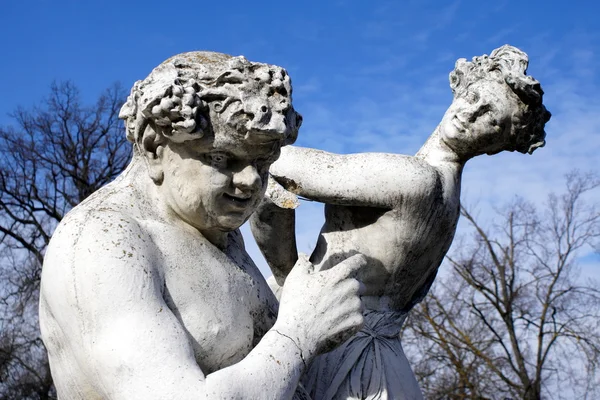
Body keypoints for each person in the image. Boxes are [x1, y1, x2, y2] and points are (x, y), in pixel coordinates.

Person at [39, 51, 367, 400]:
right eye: (222, 158)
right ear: (153, 147)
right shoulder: (103, 242)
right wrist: (297, 335)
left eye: (262, 162)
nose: (251, 181)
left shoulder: (216, 233)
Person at [251, 45, 551, 400]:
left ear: (496, 144)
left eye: (491, 117)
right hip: (385, 362)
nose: (472, 112)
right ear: (460, 89)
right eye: (474, 97)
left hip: (337, 357)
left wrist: (288, 277)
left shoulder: (416, 179)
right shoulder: (450, 202)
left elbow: (276, 165)